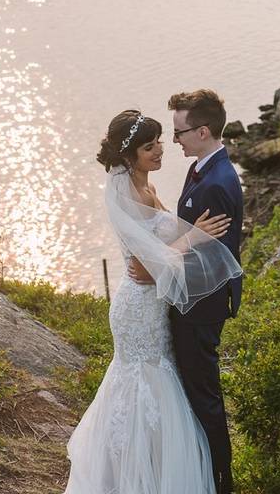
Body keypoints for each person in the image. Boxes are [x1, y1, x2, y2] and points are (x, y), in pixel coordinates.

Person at [64, 109, 242, 494]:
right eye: (150, 145)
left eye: (161, 139)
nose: (161, 149)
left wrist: (183, 239)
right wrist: (193, 237)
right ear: (129, 156)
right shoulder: (123, 190)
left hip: (155, 302)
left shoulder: (145, 186)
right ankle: (134, 479)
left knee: (159, 385)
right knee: (145, 386)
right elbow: (147, 263)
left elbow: (157, 250)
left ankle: (157, 473)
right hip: (138, 309)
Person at [130, 89, 244, 494]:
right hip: (196, 300)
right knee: (194, 391)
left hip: (200, 305)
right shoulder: (205, 170)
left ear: (203, 131)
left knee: (203, 396)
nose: (173, 140)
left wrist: (159, 266)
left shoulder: (215, 183)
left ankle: (218, 481)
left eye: (178, 132)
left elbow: (209, 259)